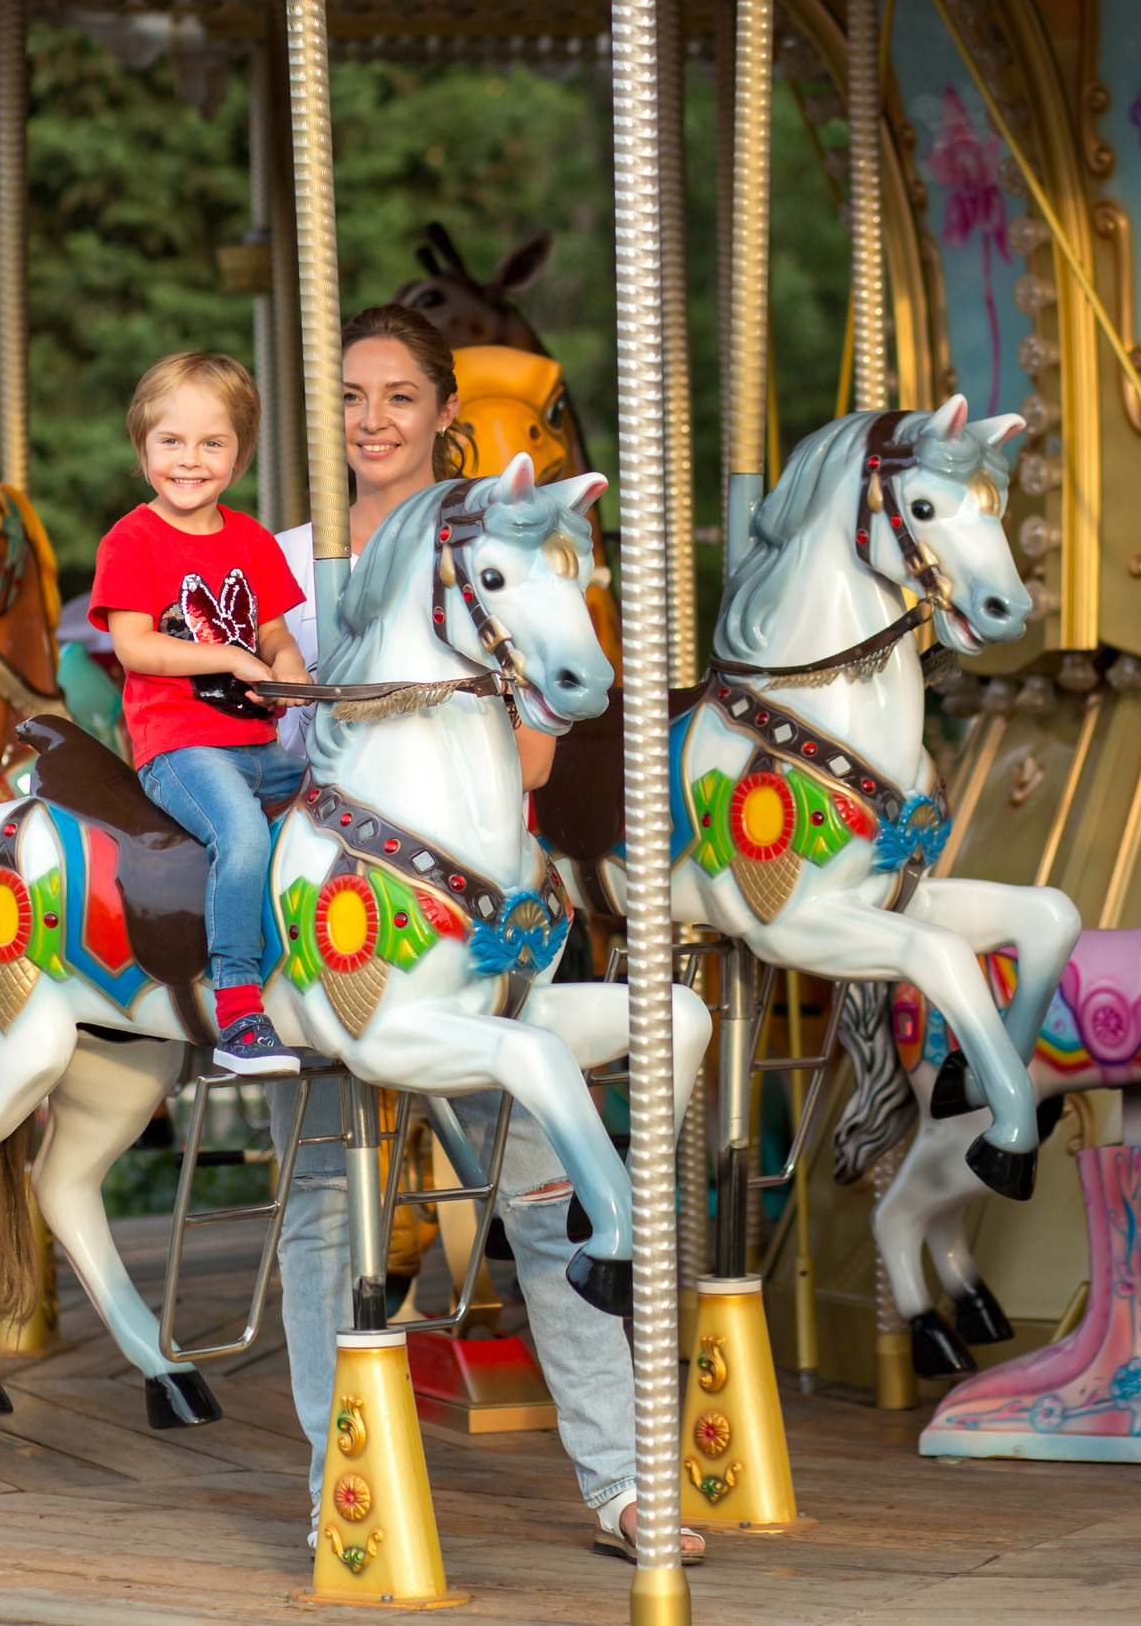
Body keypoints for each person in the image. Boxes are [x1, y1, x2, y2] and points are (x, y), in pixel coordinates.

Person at [268, 303, 702, 1565]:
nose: (371, 420)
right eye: (350, 396)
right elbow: (249, 720)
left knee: (541, 1185)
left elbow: (530, 742)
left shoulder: (491, 547)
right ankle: (333, 1485)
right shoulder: (294, 560)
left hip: (470, 906)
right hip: (337, 902)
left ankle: (622, 1481)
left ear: (443, 413)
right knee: (315, 1207)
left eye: (398, 396)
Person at [91, 351, 313, 1076]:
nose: (191, 461)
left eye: (212, 443)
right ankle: (240, 1010)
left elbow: (275, 628)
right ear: (143, 447)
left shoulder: (250, 539)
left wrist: (286, 665)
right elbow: (135, 645)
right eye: (172, 442)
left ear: (240, 452)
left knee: (336, 813)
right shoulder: (133, 539)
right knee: (243, 837)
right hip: (181, 746)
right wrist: (230, 658)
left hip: (259, 740)